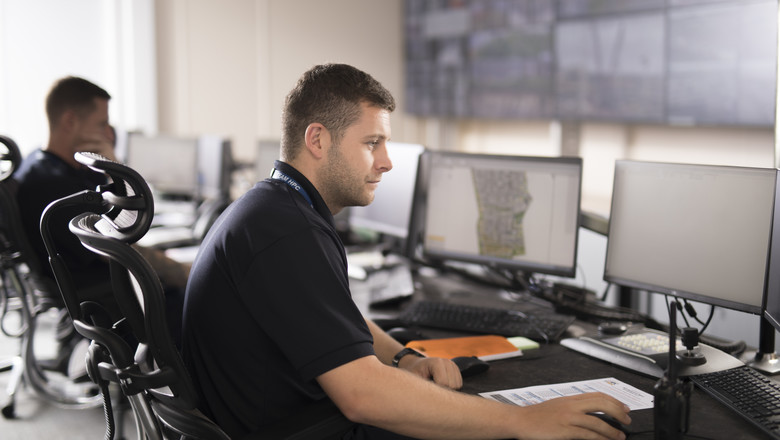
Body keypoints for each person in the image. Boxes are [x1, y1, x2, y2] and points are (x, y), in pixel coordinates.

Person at [182, 63, 631, 440]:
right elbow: (363, 397)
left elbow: (335, 319)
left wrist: (403, 358)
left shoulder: (275, 207)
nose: (387, 161)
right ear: (317, 140)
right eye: (371, 143)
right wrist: (523, 420)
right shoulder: (287, 231)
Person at [14, 76, 189, 365]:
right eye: (101, 124)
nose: (108, 133)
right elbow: (126, 238)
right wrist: (183, 271)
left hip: (94, 290)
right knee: (195, 295)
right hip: (106, 299)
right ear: (70, 121)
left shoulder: (48, 166)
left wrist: (109, 166)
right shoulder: (53, 186)